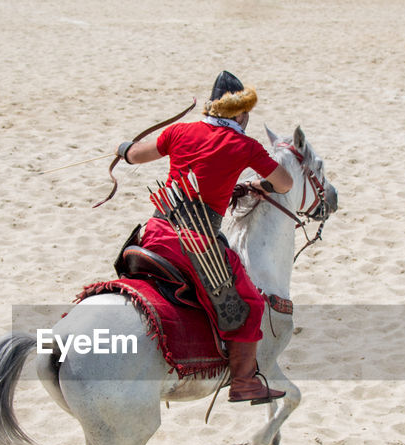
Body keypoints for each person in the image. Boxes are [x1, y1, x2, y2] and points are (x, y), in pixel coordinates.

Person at [115, 71, 293, 403]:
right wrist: (262, 184)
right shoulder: (245, 145)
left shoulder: (180, 131)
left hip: (154, 233)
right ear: (241, 113)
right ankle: (244, 383)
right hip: (195, 244)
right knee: (252, 303)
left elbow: (136, 154)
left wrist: (123, 149)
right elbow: (285, 183)